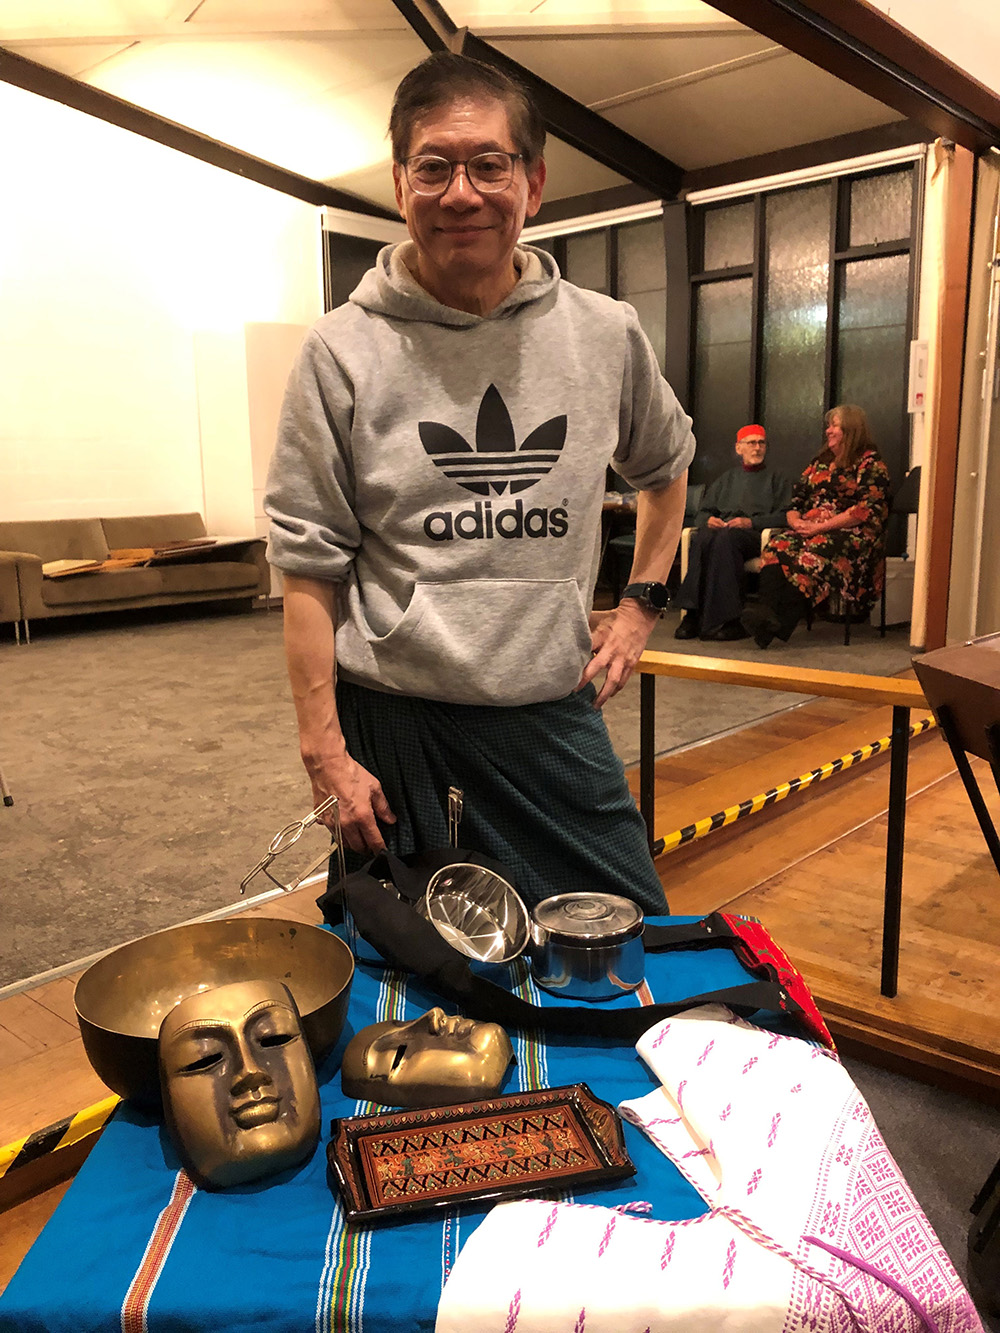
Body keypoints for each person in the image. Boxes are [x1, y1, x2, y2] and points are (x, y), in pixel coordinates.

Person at [264, 52, 695, 915]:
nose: (462, 192)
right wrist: (324, 750)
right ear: (400, 184)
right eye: (434, 166)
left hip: (549, 718)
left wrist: (641, 605)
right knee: (417, 987)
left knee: (623, 940)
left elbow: (666, 465)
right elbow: (307, 565)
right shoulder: (341, 351)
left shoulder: (606, 334)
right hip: (397, 724)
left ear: (532, 184)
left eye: (489, 164)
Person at [741, 405, 890, 649]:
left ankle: (776, 623)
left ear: (850, 429)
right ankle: (767, 614)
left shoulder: (871, 465)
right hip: (813, 529)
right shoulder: (820, 463)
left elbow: (865, 511)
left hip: (853, 535)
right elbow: (796, 500)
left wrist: (820, 528)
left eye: (834, 426)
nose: (828, 431)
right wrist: (795, 520)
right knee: (780, 543)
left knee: (812, 553)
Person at [673, 424, 792, 641]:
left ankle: (730, 619)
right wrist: (709, 520)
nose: (757, 448)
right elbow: (702, 513)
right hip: (725, 534)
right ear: (739, 449)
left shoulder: (777, 480)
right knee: (704, 535)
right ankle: (693, 615)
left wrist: (750, 522)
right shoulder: (726, 480)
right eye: (751, 443)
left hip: (757, 535)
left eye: (761, 443)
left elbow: (785, 516)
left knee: (725, 539)